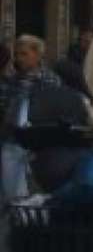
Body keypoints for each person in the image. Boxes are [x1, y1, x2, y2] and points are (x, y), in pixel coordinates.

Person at [1, 35, 63, 202]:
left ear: (37, 55)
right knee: (11, 192)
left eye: (24, 54)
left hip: (38, 143)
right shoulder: (12, 79)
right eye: (17, 54)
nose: (19, 58)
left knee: (37, 193)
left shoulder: (51, 80)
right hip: (13, 140)